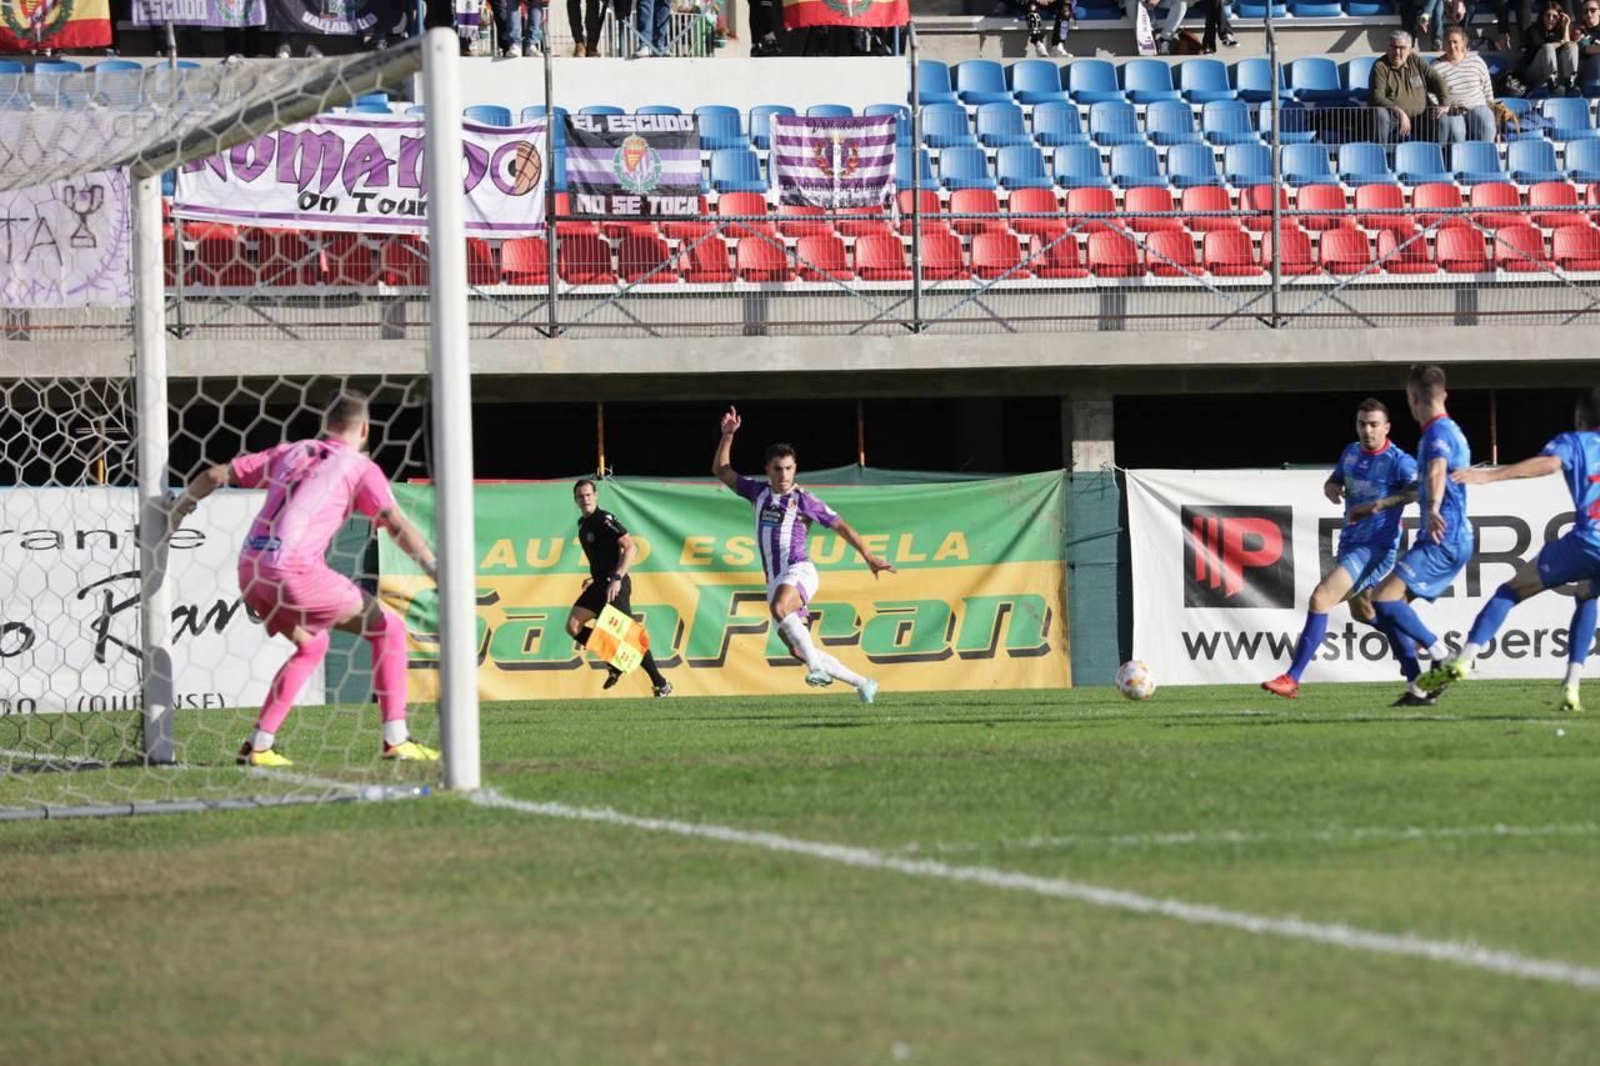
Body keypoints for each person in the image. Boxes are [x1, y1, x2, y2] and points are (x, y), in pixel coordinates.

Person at [166, 393, 440, 767]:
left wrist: (178, 511)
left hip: (250, 569)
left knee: (312, 645)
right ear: (364, 428)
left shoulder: (292, 451)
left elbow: (215, 474)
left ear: (326, 424)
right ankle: (396, 739)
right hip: (292, 571)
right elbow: (394, 522)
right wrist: (435, 568)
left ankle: (258, 745)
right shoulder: (359, 467)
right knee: (388, 629)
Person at [1417, 390, 1600, 711]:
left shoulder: (1574, 441)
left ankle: (1465, 659)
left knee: (1510, 591)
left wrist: (1489, 476)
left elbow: (1548, 463)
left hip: (1588, 540)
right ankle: (1571, 685)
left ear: (1580, 418)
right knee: (1586, 593)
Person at [712, 407, 894, 703]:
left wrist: (868, 556)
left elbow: (842, 526)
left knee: (780, 608)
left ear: (795, 468)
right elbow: (722, 471)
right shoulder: (758, 493)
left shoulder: (804, 500)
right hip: (775, 579)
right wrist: (728, 435)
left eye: (788, 468)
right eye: (777, 469)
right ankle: (863, 683)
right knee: (797, 648)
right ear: (768, 469)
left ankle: (817, 669)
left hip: (799, 570)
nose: (783, 474)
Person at [1262, 400, 1419, 700]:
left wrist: (1382, 504)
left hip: (1375, 548)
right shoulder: (1351, 452)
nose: (1367, 430)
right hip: (1349, 543)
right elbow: (1335, 479)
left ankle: (1292, 678)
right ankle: (1410, 644)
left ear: (1387, 427)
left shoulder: (1399, 461)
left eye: (1374, 424)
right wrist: (1331, 487)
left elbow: (1419, 489)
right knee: (1364, 613)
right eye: (1362, 424)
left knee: (1321, 598)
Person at [1364, 365, 1473, 707]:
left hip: (1443, 536)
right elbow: (1431, 478)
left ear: (1412, 397)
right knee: (1387, 610)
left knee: (1383, 600)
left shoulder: (1436, 433)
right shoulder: (1450, 430)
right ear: (1444, 395)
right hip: (1448, 535)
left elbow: (1437, 470)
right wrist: (1385, 504)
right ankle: (1418, 688)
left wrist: (1434, 507)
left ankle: (1441, 655)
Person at [565, 479, 673, 697]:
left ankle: (661, 684)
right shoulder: (583, 524)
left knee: (629, 637)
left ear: (596, 496)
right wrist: (594, 578)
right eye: (580, 496)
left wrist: (616, 577)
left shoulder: (605, 519)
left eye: (588, 495)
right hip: (599, 584)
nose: (585, 499)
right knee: (573, 626)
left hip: (614, 585)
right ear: (575, 500)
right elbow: (602, 556)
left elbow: (630, 547)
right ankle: (614, 662)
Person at [1370, 30, 1452, 143]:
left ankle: (1437, 153)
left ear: (1409, 50)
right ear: (1388, 48)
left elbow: (1437, 80)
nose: (1397, 52)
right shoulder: (1380, 66)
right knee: (1380, 113)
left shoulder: (1415, 60)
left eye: (1402, 48)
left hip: (1422, 117)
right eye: (1393, 47)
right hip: (1394, 120)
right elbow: (1377, 97)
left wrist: (1445, 103)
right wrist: (1399, 112)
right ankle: (1381, 152)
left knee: (1442, 118)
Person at [1436, 26, 1499, 142]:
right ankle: (1454, 154)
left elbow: (1487, 86)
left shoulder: (1476, 61)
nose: (1452, 46)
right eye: (1448, 42)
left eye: (1455, 42)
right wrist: (1442, 105)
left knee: (1487, 124)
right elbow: (1431, 92)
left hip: (1477, 105)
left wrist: (1490, 106)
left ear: (1463, 43)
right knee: (1456, 131)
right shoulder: (1435, 66)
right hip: (1452, 109)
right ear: (1444, 44)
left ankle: (1485, 153)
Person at [1520, 0, 1580, 94]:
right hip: (1536, 73)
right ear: (1542, 16)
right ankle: (1552, 86)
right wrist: (1561, 42)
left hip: (1557, 72)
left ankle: (1570, 84)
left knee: (1572, 45)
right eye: (1547, 15)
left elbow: (1567, 45)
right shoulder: (1533, 30)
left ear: (1559, 18)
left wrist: (1566, 27)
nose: (1550, 19)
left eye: (1554, 16)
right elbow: (1541, 47)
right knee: (1547, 47)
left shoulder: (1560, 31)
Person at [1577, 0, 1600, 82]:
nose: (1589, 14)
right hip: (1585, 71)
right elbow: (1586, 49)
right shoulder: (1579, 30)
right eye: (1585, 11)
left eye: (1593, 10)